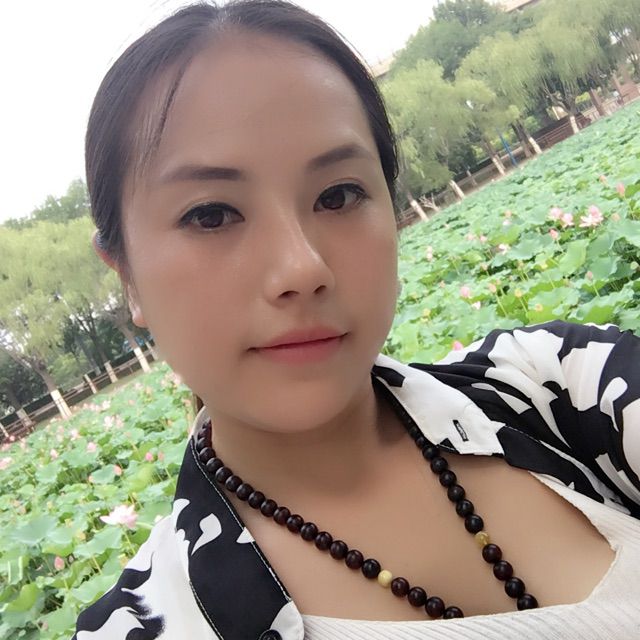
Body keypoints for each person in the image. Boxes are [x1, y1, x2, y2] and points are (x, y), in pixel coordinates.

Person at [74, 1, 640, 638]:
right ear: (126, 275)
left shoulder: (557, 385)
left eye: (338, 195)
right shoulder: (141, 626)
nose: (302, 267)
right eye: (210, 215)